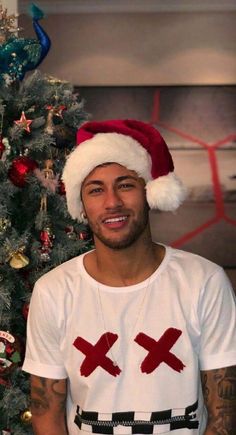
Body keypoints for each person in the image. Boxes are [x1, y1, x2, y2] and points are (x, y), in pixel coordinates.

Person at [23, 119, 236, 435]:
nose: (112, 203)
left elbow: (224, 415)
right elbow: (46, 413)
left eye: (125, 185)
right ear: (81, 204)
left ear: (149, 192)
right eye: (96, 190)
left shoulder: (204, 281)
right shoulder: (54, 291)